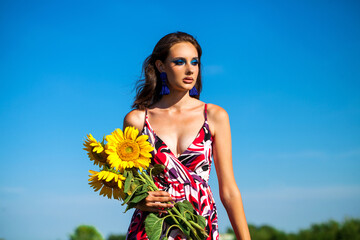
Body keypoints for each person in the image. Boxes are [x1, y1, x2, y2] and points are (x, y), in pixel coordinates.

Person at [123, 32, 250, 240]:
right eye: (179, 62)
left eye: (195, 62)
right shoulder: (137, 120)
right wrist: (138, 201)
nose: (190, 69)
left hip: (198, 226)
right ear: (161, 66)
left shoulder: (214, 116)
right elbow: (127, 183)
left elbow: (228, 190)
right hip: (152, 228)